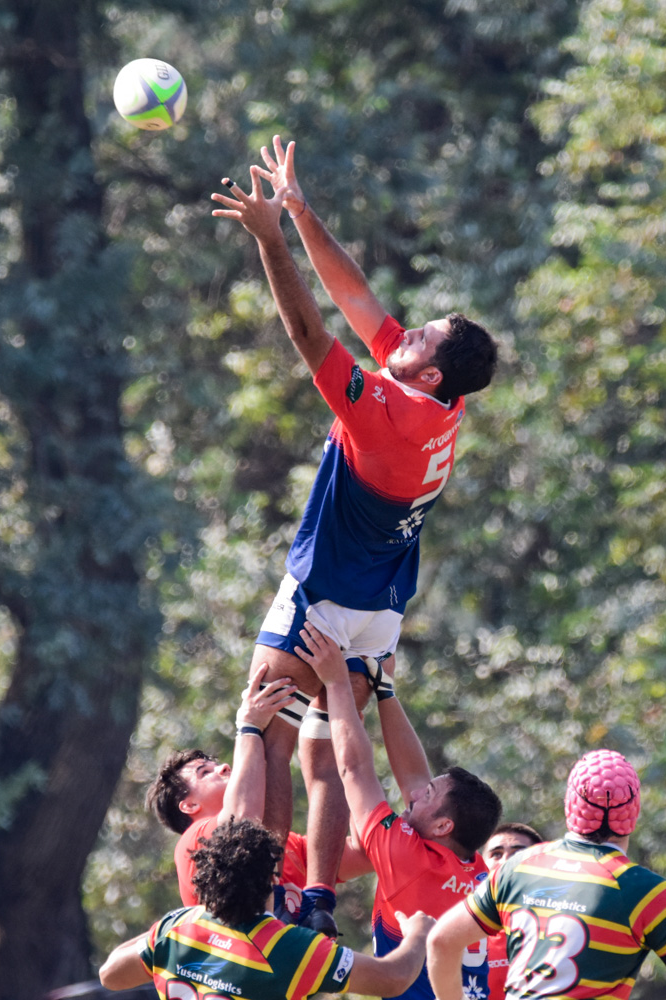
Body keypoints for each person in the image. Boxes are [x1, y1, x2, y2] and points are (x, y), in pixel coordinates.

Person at [210, 138, 499, 934]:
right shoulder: (439, 401)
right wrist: (301, 212)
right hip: (382, 608)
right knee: (322, 750)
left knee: (263, 723)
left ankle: (262, 901)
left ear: (428, 371)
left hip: (329, 587)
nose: (401, 338)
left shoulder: (391, 411)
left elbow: (311, 334)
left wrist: (269, 241)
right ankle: (318, 902)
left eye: (417, 340)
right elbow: (358, 298)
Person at [427, 749, 666, 999]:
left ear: (569, 805)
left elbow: (441, 941)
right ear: (634, 814)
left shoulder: (517, 868)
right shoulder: (645, 891)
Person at [294, 622, 502, 1000]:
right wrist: (386, 692)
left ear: (443, 825)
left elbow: (353, 770)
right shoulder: (476, 870)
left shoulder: (409, 859)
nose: (417, 794)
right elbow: (416, 781)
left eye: (430, 794)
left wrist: (338, 682)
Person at [98, 818, 433, 1000]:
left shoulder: (177, 928)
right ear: (273, 876)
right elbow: (393, 979)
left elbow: (110, 975)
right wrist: (419, 933)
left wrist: (168, 927)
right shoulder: (286, 948)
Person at [146, 663, 299, 909]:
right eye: (205, 772)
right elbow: (241, 821)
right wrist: (248, 725)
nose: (224, 767)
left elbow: (362, 851)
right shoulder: (193, 842)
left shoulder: (286, 844)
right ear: (189, 805)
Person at [478, 823, 544, 1000]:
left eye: (518, 854)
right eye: (496, 854)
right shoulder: (458, 932)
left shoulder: (560, 927)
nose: (506, 861)